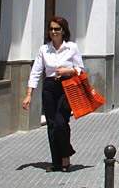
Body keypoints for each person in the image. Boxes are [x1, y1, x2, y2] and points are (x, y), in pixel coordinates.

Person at [22, 17, 85, 172]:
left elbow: (81, 70)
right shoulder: (44, 49)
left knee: (60, 123)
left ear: (63, 30)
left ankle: (66, 158)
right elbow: (36, 72)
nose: (54, 32)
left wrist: (68, 70)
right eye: (51, 29)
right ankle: (57, 162)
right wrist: (29, 94)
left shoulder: (72, 48)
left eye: (57, 29)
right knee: (51, 125)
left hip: (67, 87)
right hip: (50, 88)